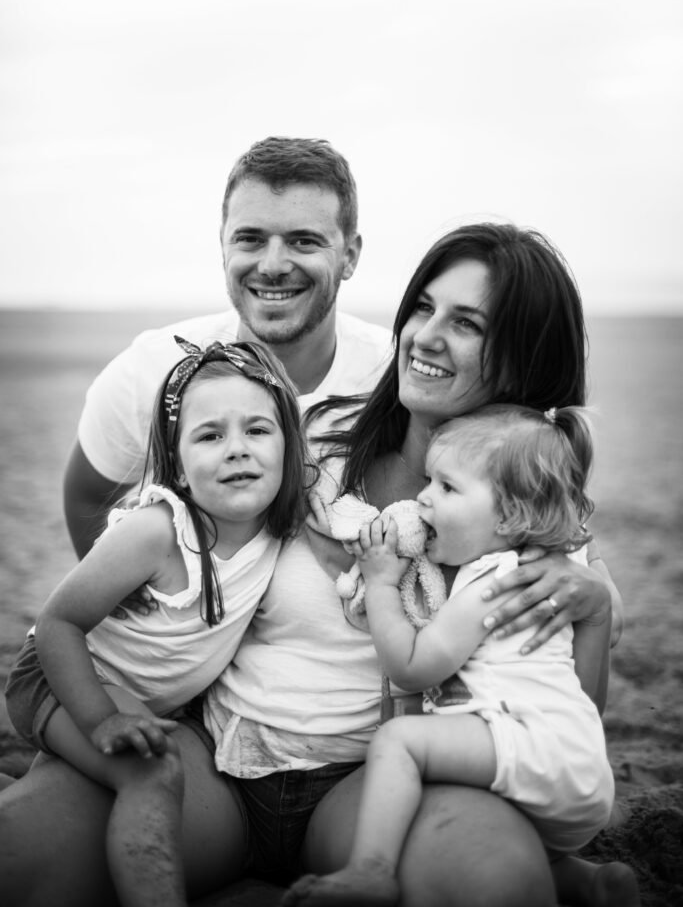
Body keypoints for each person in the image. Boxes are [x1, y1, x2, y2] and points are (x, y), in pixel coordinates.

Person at [0, 222, 623, 907]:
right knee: (27, 854)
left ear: (523, 357)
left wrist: (596, 607)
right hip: (215, 768)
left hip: (375, 792)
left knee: (492, 882)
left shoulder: (531, 523)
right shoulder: (303, 443)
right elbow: (164, 522)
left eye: (466, 323)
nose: (425, 336)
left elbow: (560, 718)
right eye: (422, 306)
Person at [285, 404, 639, 907]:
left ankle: (371, 869)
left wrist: (383, 582)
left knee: (401, 742)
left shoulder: (491, 583)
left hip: (530, 748)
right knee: (515, 829)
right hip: (575, 769)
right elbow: (584, 697)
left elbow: (411, 664)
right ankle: (589, 882)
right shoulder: (543, 579)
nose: (423, 499)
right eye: (428, 481)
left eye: (447, 488)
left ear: (511, 515)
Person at [4, 339, 312, 907]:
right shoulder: (158, 532)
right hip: (59, 680)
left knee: (95, 773)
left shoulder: (280, 524)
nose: (237, 450)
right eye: (210, 435)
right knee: (151, 772)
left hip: (135, 694)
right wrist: (100, 720)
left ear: (290, 446)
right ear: (179, 467)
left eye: (258, 430)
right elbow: (56, 624)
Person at [63, 135, 392, 559]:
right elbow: (87, 497)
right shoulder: (153, 369)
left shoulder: (393, 374)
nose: (272, 265)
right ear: (223, 245)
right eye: (250, 239)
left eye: (303, 241)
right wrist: (128, 616)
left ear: (349, 255)